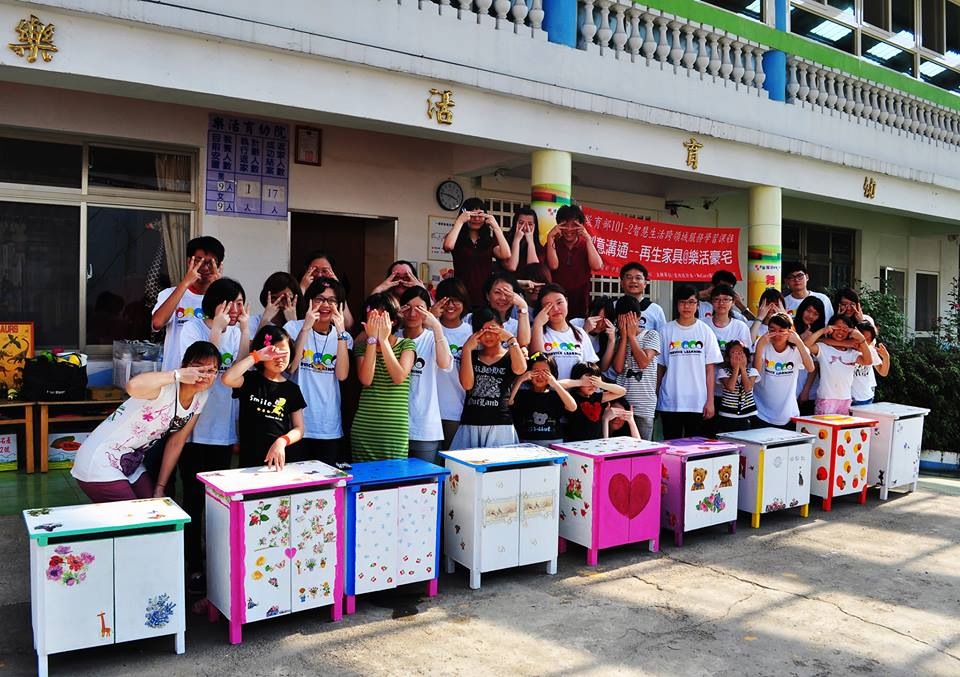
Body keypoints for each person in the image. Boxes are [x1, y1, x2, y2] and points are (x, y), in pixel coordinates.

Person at [70, 341, 219, 502]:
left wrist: (160, 487)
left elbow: (176, 442)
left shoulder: (201, 396)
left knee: (154, 509)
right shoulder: (164, 386)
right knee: (136, 520)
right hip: (99, 458)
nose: (204, 374)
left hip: (130, 461)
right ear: (185, 365)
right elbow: (132, 386)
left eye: (212, 370)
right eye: (198, 368)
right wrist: (177, 374)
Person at [177, 277, 250, 594]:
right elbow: (206, 370)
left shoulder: (236, 330)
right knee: (193, 501)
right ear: (217, 302)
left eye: (240, 302)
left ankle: (218, 566)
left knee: (218, 503)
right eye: (232, 302)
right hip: (195, 428)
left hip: (222, 428)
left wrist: (244, 330)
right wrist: (217, 331)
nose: (237, 309)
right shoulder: (193, 329)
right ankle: (193, 566)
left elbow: (238, 371)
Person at [285, 277, 351, 465]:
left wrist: (340, 334)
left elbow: (342, 375)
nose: (325, 305)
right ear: (309, 302)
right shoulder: (292, 328)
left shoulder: (344, 337)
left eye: (332, 301)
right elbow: (291, 368)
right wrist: (305, 328)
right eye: (320, 299)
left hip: (328, 426)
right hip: (297, 425)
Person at [223, 325, 306, 469]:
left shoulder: (292, 389)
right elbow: (227, 378)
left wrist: (282, 441)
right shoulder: (249, 380)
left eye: (284, 353)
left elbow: (299, 429)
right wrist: (256, 356)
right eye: (274, 353)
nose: (280, 358)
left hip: (280, 462)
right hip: (249, 462)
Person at [352, 293, 417, 461]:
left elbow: (399, 377)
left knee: (394, 481)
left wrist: (384, 340)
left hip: (395, 430)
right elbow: (366, 379)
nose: (375, 323)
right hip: (365, 428)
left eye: (380, 318)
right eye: (372, 318)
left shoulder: (407, 344)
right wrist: (373, 339)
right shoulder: (362, 347)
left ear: (393, 321)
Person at [450, 309, 526, 449]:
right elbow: (467, 385)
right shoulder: (471, 355)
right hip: (471, 423)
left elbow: (520, 369)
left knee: (498, 469)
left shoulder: (511, 355)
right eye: (482, 330)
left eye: (493, 329)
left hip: (500, 425)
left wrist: (511, 339)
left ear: (502, 328)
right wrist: (467, 349)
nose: (488, 335)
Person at [656, 284, 723, 440]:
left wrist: (710, 401)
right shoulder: (666, 331)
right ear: (677, 304)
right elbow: (660, 367)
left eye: (692, 302)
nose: (687, 306)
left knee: (695, 448)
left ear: (698, 305)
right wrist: (655, 396)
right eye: (683, 302)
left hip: (697, 402)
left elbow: (710, 369)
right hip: (670, 401)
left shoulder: (705, 331)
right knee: (671, 446)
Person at [151, 236, 225, 371]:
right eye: (199, 261)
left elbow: (228, 331)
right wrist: (185, 283)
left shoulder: (224, 297)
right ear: (188, 261)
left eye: (211, 263)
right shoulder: (169, 294)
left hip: (208, 377)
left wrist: (219, 289)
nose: (205, 268)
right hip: (175, 376)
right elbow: (157, 323)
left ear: (219, 266)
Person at [399, 286, 453, 464]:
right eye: (407, 307)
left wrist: (436, 325)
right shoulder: (393, 337)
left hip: (425, 426)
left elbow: (445, 363)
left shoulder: (433, 338)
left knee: (425, 484)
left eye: (420, 308)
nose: (413, 313)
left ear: (428, 311)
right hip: (395, 425)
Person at [443, 198, 511, 308]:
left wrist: (496, 227)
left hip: (485, 296)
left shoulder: (488, 240)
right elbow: (448, 246)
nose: (476, 219)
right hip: (461, 294)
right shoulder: (456, 238)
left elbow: (506, 254)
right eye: (472, 215)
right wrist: (460, 221)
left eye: (480, 216)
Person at [752, 313, 815, 428]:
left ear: (790, 331)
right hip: (762, 412)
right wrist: (760, 345)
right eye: (772, 330)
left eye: (782, 330)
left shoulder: (797, 348)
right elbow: (755, 373)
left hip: (788, 414)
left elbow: (810, 368)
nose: (777, 334)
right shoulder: (762, 344)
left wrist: (799, 342)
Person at [433, 278, 474, 449]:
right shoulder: (428, 329)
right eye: (445, 299)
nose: (450, 305)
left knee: (451, 465)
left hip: (456, 409)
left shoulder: (471, 333)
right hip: (427, 410)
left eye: (456, 299)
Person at [612, 295, 660, 441]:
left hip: (644, 404)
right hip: (623, 403)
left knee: (643, 447)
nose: (626, 323)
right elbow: (618, 368)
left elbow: (643, 363)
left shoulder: (651, 335)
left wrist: (632, 337)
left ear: (639, 317)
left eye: (630, 318)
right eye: (622, 319)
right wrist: (625, 337)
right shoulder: (620, 340)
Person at [805, 315, 872, 415]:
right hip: (826, 399)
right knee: (824, 430)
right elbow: (806, 345)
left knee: (842, 431)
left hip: (845, 400)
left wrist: (861, 338)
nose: (840, 332)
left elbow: (868, 361)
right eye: (837, 328)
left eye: (844, 329)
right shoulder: (823, 348)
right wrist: (823, 330)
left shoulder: (852, 353)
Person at [545, 205, 604, 318]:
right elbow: (553, 266)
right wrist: (550, 237)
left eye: (574, 225)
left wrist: (587, 238)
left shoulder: (585, 243)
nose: (569, 229)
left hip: (580, 299)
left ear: (581, 226)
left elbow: (597, 266)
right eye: (565, 225)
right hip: (557, 299)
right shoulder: (554, 243)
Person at [530, 284, 599, 380]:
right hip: (547, 393)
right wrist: (537, 324)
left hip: (573, 394)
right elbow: (537, 363)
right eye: (548, 305)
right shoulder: (537, 331)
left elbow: (591, 369)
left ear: (566, 301)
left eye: (559, 302)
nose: (556, 309)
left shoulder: (580, 333)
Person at [508, 352, 576, 446]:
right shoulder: (522, 394)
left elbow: (572, 407)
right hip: (526, 445)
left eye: (545, 372)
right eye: (535, 371)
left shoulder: (557, 394)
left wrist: (555, 384)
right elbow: (509, 402)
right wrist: (520, 380)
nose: (540, 376)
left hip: (553, 445)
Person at [562, 362, 627, 442]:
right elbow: (555, 385)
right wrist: (580, 382)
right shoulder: (570, 397)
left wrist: (602, 384)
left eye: (594, 382)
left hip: (597, 441)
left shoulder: (597, 397)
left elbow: (622, 391)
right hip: (575, 442)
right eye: (589, 382)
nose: (592, 386)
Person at [465, 272, 531, 346]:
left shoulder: (516, 325)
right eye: (497, 292)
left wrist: (523, 306)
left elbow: (523, 343)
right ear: (487, 296)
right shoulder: (470, 319)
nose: (503, 298)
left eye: (507, 293)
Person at [298, 250, 354, 331]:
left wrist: (338, 289)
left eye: (324, 271)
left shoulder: (335, 290)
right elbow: (293, 318)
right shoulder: (302, 286)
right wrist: (302, 287)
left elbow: (348, 324)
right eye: (315, 270)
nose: (319, 275)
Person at [715, 340, 759, 432]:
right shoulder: (723, 372)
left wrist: (742, 368)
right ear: (727, 358)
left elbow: (748, 388)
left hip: (747, 415)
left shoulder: (752, 372)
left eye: (740, 353)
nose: (737, 356)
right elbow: (730, 387)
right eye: (734, 353)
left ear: (746, 357)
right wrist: (736, 368)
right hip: (727, 415)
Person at [793, 295, 826, 415]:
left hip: (809, 390)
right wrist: (801, 338)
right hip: (789, 387)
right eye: (808, 311)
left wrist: (806, 390)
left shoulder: (819, 335)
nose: (811, 316)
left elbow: (815, 365)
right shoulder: (790, 327)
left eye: (816, 314)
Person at [571, 295, 617, 376]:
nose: (600, 325)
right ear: (588, 312)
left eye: (604, 321)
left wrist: (611, 341)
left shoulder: (607, 334)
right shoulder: (575, 324)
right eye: (597, 318)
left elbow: (603, 368)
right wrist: (585, 332)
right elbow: (571, 356)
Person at [619, 262, 667, 334]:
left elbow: (663, 338)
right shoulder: (613, 306)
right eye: (629, 277)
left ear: (645, 284)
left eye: (638, 278)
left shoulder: (656, 310)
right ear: (621, 283)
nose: (633, 281)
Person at [251, 271, 302, 337]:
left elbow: (300, 347)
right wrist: (265, 321)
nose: (280, 303)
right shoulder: (253, 321)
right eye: (274, 298)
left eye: (285, 298)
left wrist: (293, 323)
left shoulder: (303, 325)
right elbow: (252, 347)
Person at [851, 322, 890, 406]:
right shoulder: (846, 351)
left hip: (867, 397)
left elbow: (883, 372)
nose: (865, 342)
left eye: (868, 340)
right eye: (863, 339)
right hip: (848, 399)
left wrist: (886, 357)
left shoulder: (871, 350)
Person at [503, 207, 543, 273]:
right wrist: (516, 240)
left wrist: (530, 242)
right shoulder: (504, 241)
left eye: (530, 224)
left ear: (535, 227)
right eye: (521, 223)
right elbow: (511, 267)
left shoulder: (539, 248)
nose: (525, 227)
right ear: (515, 223)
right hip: (508, 282)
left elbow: (534, 271)